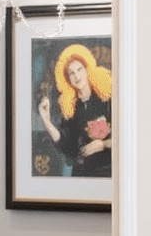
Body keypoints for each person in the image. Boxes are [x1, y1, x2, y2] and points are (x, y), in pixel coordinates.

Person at [37, 43, 112, 178]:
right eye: (71, 73)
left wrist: (103, 145)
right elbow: (69, 149)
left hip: (107, 173)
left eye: (79, 69)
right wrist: (47, 121)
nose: (77, 76)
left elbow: (127, 138)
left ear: (87, 69)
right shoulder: (70, 108)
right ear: (67, 79)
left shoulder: (107, 99)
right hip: (81, 175)